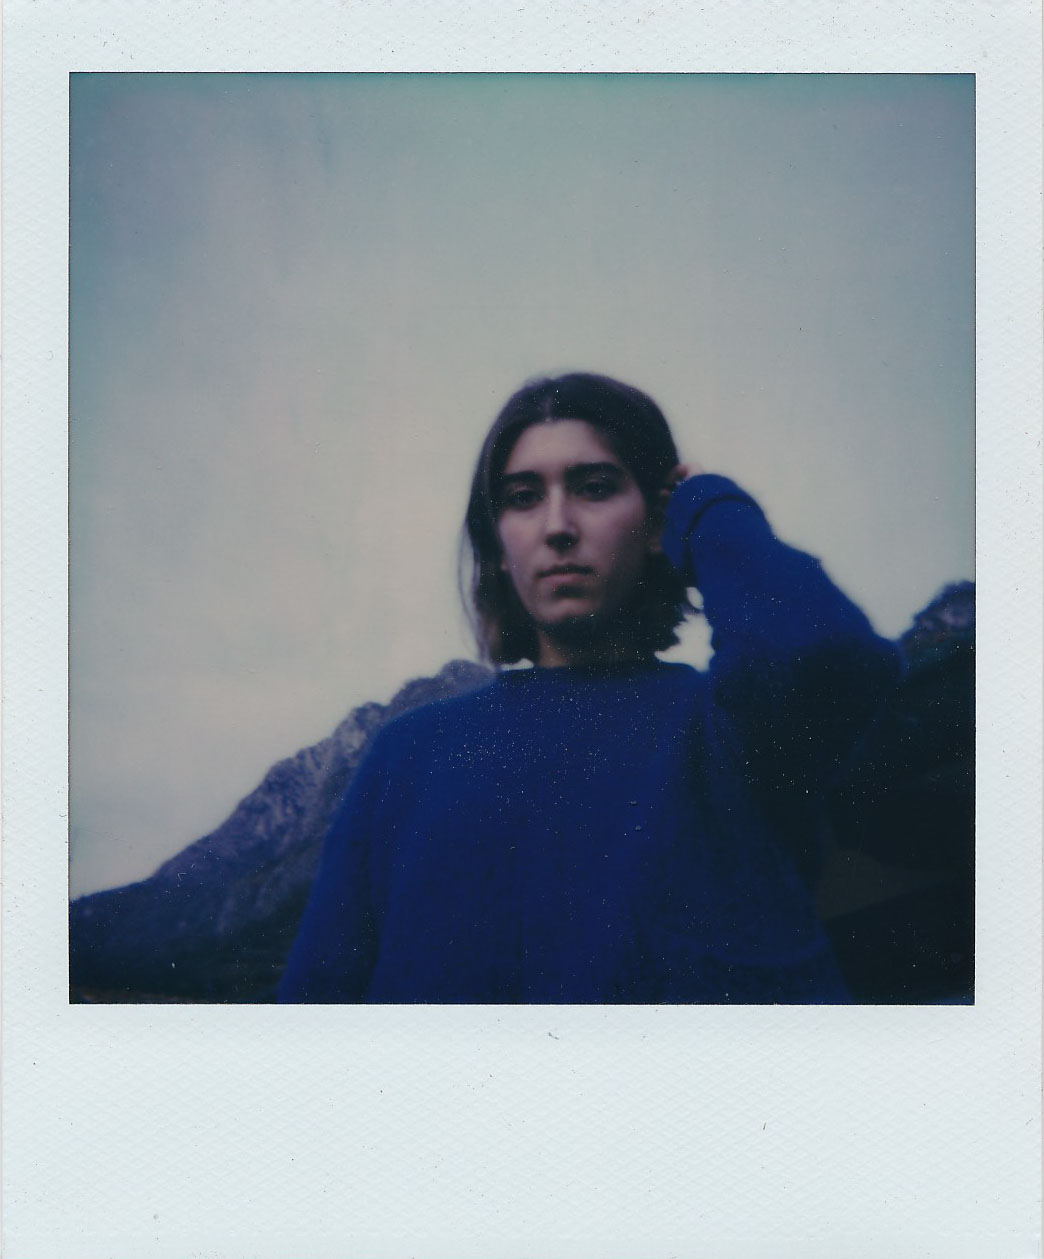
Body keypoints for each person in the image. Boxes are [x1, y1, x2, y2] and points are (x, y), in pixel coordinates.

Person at [279, 373, 900, 1003]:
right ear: (497, 547)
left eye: (595, 488)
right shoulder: (405, 756)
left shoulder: (728, 726)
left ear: (657, 522)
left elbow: (820, 648)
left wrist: (706, 505)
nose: (557, 526)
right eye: (522, 498)